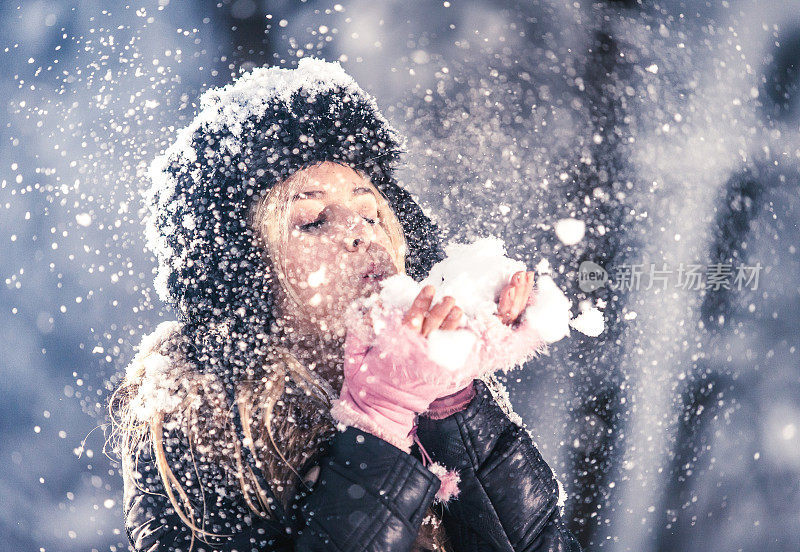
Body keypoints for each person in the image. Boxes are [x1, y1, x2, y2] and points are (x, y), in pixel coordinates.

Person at [110, 57, 582, 552]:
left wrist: (451, 402)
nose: (360, 233)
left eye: (371, 211)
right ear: (249, 273)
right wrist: (380, 419)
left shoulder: (430, 379)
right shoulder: (193, 421)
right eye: (312, 220)